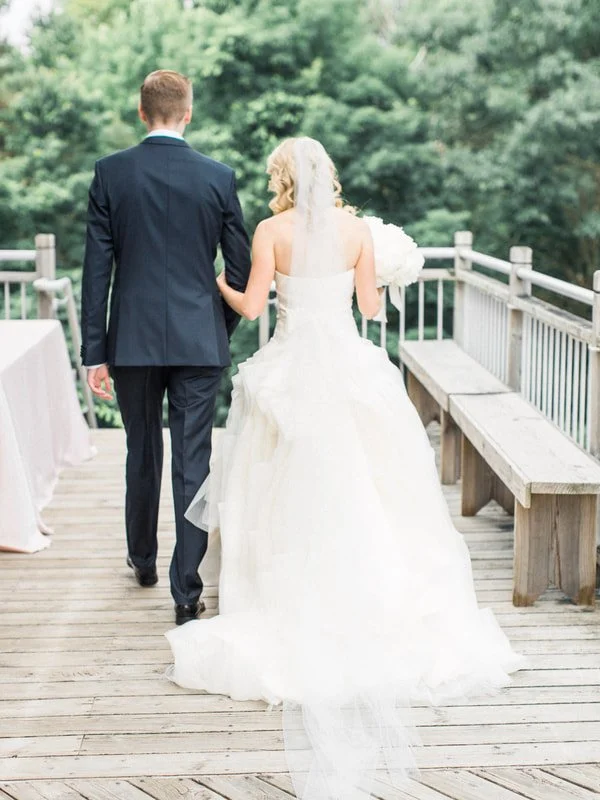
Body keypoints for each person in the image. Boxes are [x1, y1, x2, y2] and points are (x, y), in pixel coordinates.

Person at [165, 137, 525, 799]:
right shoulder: (358, 230)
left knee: (276, 483)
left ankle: (280, 590)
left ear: (281, 179)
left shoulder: (270, 230)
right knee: (368, 486)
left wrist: (217, 278)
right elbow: (368, 311)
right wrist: (381, 276)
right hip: (349, 364)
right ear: (327, 177)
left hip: (292, 364)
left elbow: (249, 308)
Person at [80, 70, 251, 625]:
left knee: (142, 453)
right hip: (198, 341)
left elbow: (96, 271)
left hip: (129, 340)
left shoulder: (111, 174)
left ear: (140, 112)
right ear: (188, 113)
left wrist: (93, 351)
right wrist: (214, 325)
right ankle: (186, 593)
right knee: (193, 463)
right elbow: (242, 268)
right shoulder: (218, 178)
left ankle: (142, 560)